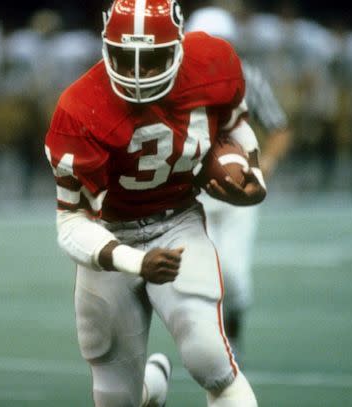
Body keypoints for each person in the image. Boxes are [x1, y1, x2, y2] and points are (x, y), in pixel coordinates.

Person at [44, 1, 266, 406]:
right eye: (125, 58)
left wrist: (252, 171)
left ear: (178, 49)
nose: (136, 74)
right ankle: (152, 391)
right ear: (107, 48)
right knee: (116, 397)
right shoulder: (79, 110)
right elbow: (71, 224)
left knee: (211, 360)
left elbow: (235, 123)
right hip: (110, 233)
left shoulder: (212, 63)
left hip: (176, 221)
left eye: (152, 59)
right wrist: (135, 261)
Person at [187, 3, 292, 358]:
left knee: (234, 275)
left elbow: (279, 127)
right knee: (203, 271)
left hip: (240, 190)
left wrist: (268, 161)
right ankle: (212, 344)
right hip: (195, 190)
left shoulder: (249, 79)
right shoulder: (177, 82)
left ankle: (234, 327)